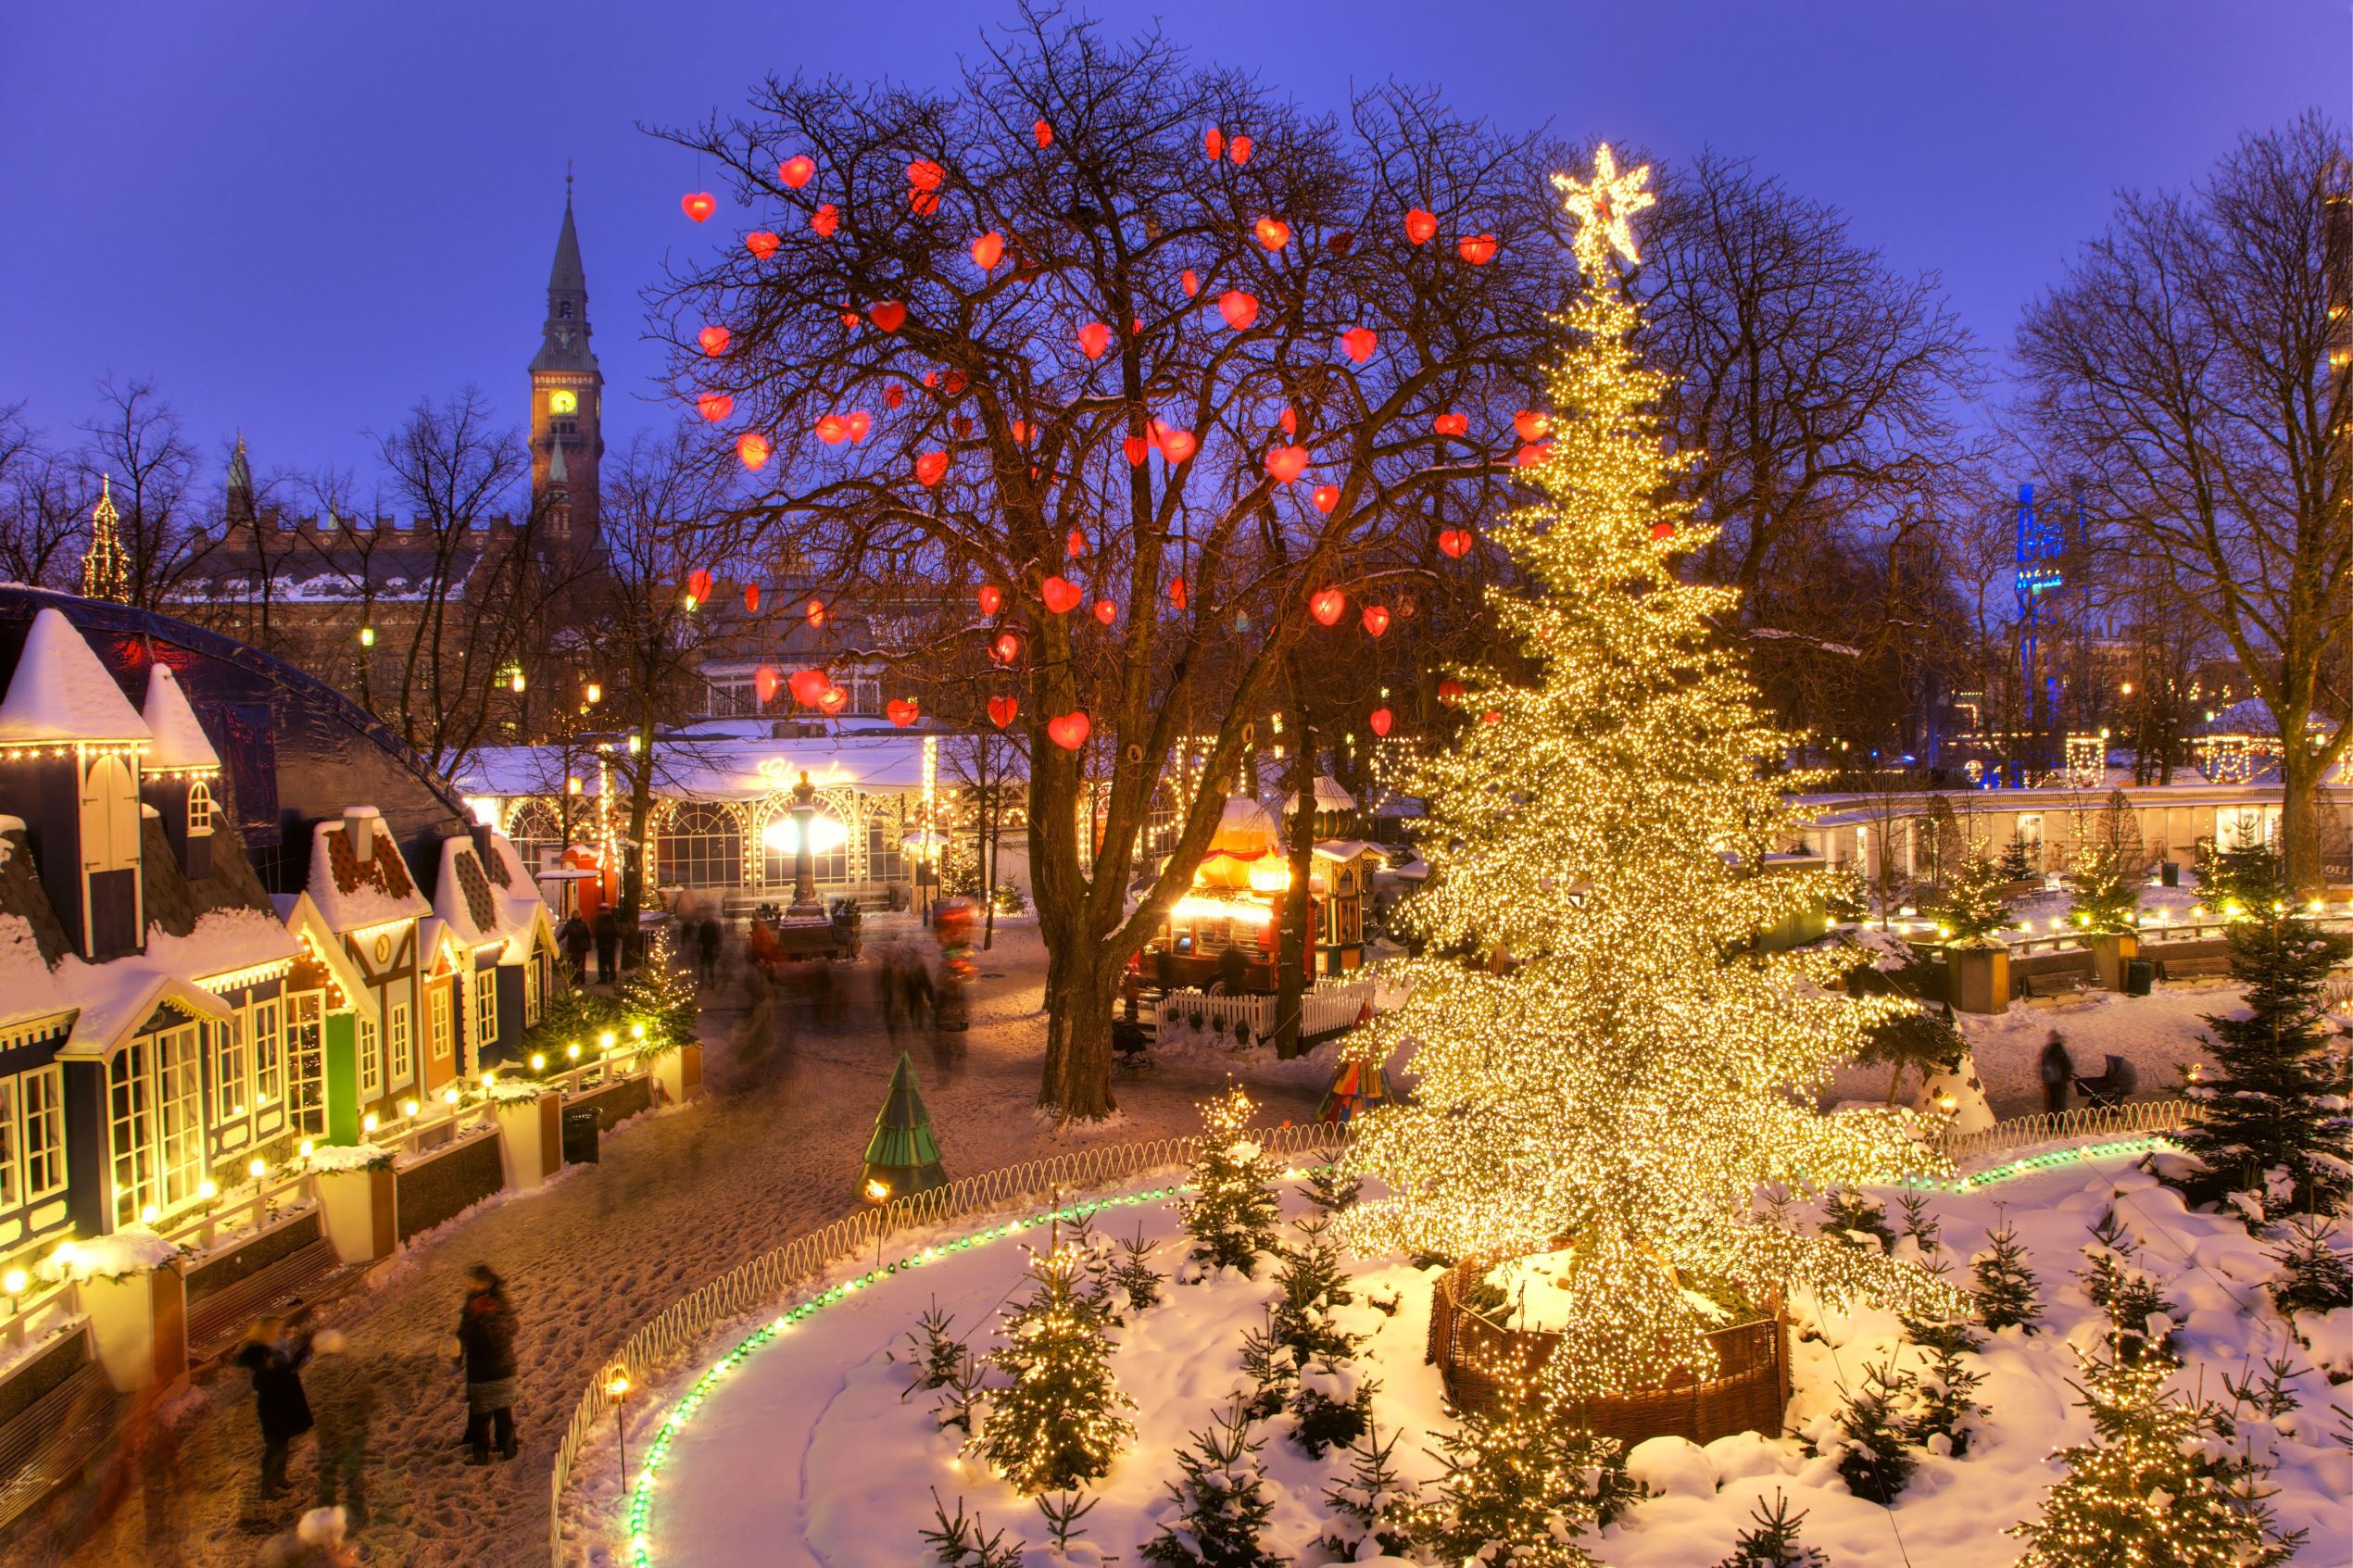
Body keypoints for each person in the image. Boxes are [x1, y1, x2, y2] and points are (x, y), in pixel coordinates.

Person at [234, 1312, 316, 1499]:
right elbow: (276, 1372)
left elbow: (287, 1368)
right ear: (265, 1331)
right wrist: (299, 1356)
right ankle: (267, 1488)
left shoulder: (277, 1346)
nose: (279, 1331)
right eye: (275, 1329)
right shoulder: (258, 1352)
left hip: (284, 1400)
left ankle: (280, 1478)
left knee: (283, 1443)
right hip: (272, 1405)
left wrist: (302, 1355)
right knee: (275, 1445)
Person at [452, 1263, 519, 1464]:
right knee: (498, 1411)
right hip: (498, 1366)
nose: (469, 1285)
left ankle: (485, 1453)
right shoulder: (489, 1300)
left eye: (473, 1282)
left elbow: (466, 1332)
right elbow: (513, 1326)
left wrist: (487, 1317)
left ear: (483, 1283)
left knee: (487, 1413)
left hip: (489, 1367)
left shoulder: (482, 1303)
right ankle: (506, 1448)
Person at [2039, 1031, 2073, 1117]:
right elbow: (2068, 1065)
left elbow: (2043, 1064)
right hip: (2060, 1082)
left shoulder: (2047, 1050)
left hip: (2049, 1082)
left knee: (2051, 1105)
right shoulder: (2060, 1051)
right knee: (2061, 1106)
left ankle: (2050, 1123)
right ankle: (2060, 1124)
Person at [558, 911, 592, 983]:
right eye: (575, 914)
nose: (577, 916)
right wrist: (557, 941)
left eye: (578, 914)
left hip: (582, 947)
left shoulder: (583, 923)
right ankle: (574, 978)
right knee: (573, 963)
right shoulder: (570, 924)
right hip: (573, 946)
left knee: (581, 963)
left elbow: (588, 935)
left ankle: (582, 978)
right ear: (573, 915)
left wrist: (588, 945)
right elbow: (563, 933)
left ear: (580, 915)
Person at [592, 909, 621, 986]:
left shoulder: (611, 921)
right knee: (604, 963)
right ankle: (605, 977)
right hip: (604, 945)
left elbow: (614, 933)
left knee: (609, 962)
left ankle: (609, 978)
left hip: (608, 944)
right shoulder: (601, 920)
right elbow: (598, 932)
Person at [696, 916, 723, 985]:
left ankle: (704, 981)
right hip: (710, 948)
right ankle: (711, 981)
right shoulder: (712, 926)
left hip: (705, 948)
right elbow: (716, 938)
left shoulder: (704, 926)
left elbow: (700, 937)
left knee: (704, 966)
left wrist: (699, 946)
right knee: (710, 966)